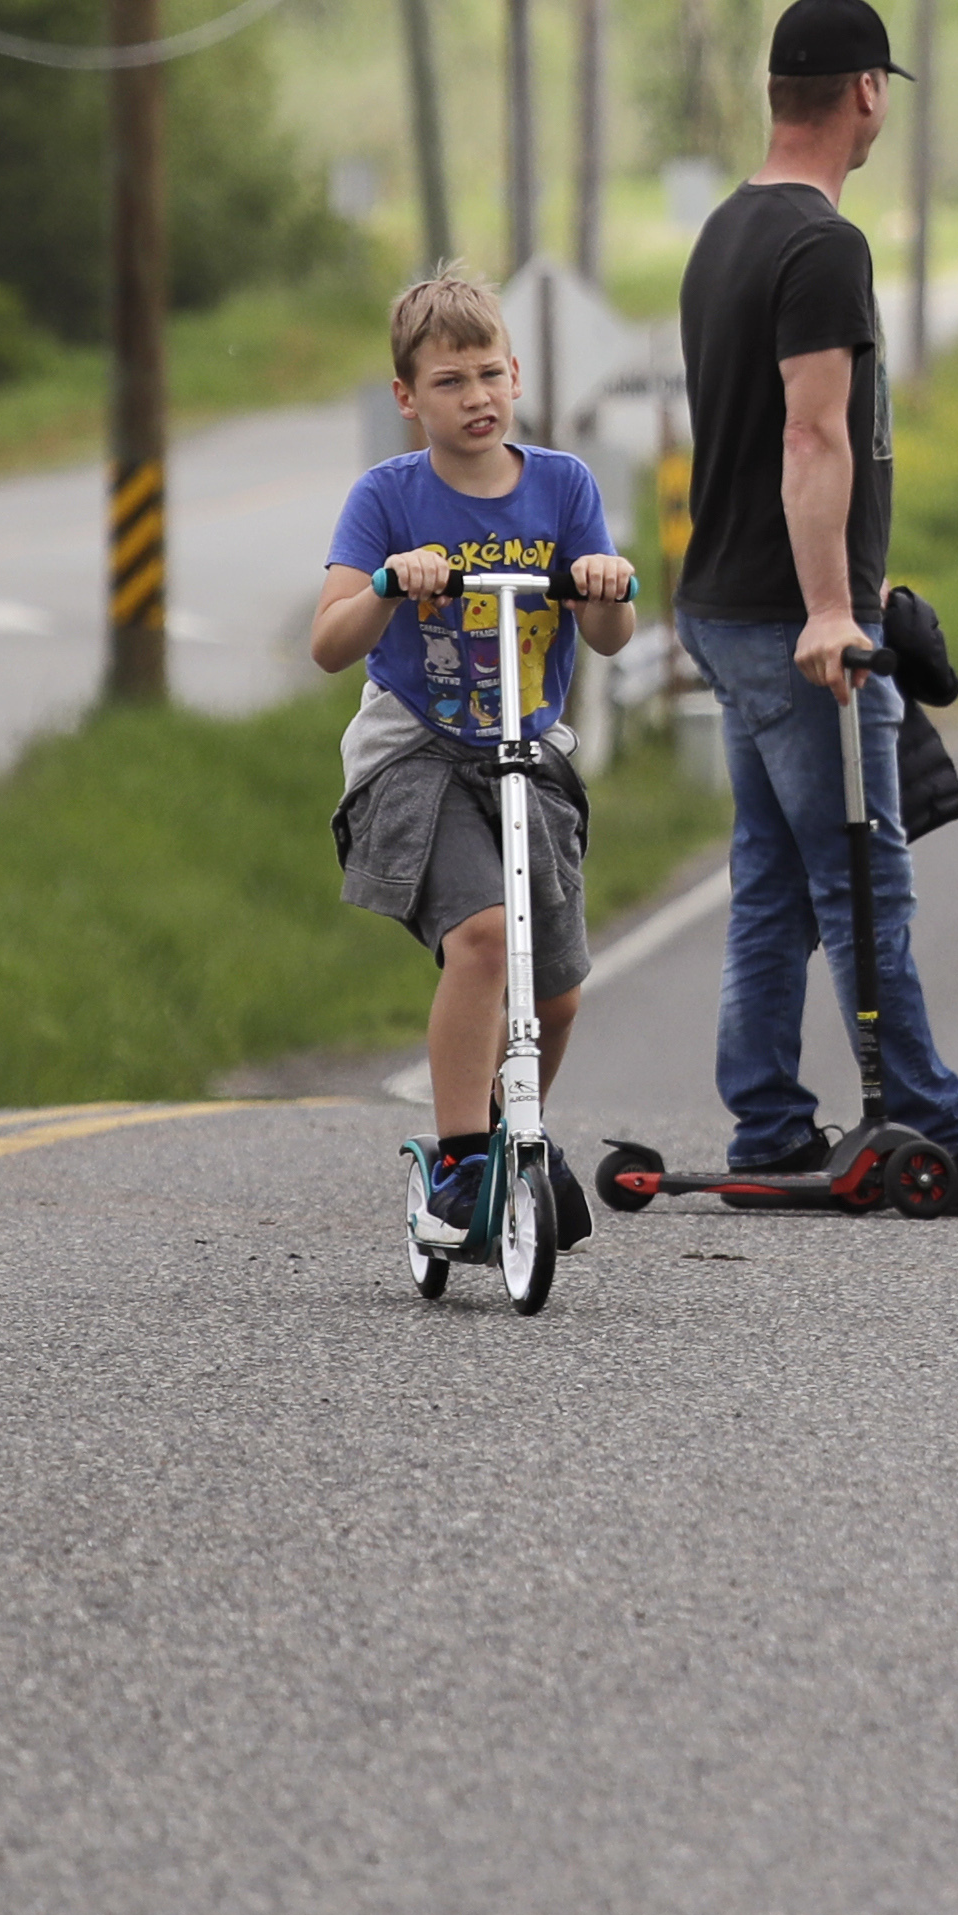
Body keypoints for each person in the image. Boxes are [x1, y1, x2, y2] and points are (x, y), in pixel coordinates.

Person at [673, 0, 958, 1219]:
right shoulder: (821, 245)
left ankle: (766, 1118)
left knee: (770, 873)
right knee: (864, 873)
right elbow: (812, 438)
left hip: (724, 604)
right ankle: (937, 1125)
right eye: (879, 96)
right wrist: (829, 610)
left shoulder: (724, 231)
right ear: (865, 92)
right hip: (787, 622)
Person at [308, 268, 641, 1254]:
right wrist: (385, 581)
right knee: (486, 939)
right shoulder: (388, 497)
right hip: (417, 750)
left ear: (518, 373)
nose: (476, 397)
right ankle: (459, 1158)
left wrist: (605, 584)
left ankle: (510, 1124)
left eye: (489, 373)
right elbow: (330, 640)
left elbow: (612, 636)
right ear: (407, 397)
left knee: (558, 986)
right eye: (448, 381)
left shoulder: (562, 484)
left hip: (525, 750)